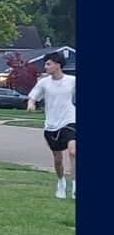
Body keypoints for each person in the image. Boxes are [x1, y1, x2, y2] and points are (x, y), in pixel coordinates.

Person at [27, 51, 76, 199]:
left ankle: (75, 186)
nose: (45, 66)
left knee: (73, 152)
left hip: (69, 120)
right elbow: (32, 97)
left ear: (57, 65)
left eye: (48, 64)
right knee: (58, 159)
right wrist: (31, 106)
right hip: (51, 125)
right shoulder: (44, 82)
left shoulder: (72, 80)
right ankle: (61, 182)